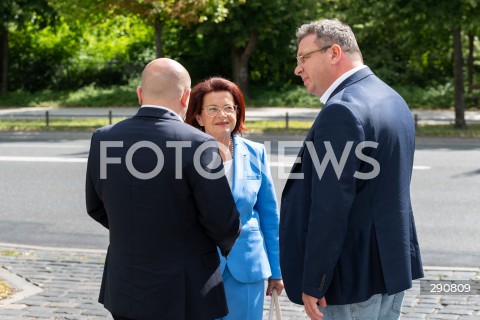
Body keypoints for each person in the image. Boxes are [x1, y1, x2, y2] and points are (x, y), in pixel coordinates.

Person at [279, 19, 424, 320]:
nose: (298, 68)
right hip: (390, 271)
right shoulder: (392, 99)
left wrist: (314, 280)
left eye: (303, 58)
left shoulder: (341, 110)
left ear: (334, 53)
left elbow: (330, 208)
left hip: (349, 281)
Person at [85, 58, 241, 320]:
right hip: (185, 287)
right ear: (186, 97)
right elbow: (223, 221)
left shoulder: (104, 137)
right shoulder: (199, 142)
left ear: (139, 93)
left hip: (125, 284)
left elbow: (95, 207)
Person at [185, 77, 284, 320]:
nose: (223, 114)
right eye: (213, 109)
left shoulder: (255, 152)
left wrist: (276, 270)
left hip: (247, 266)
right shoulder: (185, 153)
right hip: (200, 267)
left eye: (229, 107)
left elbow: (269, 216)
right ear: (198, 117)